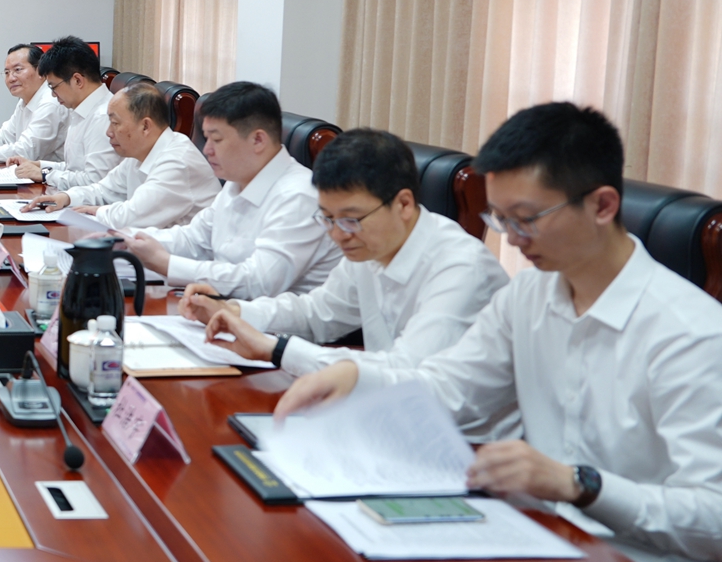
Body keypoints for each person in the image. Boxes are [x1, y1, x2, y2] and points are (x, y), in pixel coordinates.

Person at [277, 103, 722, 562]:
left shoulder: (690, 334)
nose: (511, 240)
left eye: (526, 219)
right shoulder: (527, 297)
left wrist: (581, 484)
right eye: (501, 219)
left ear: (602, 206)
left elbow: (713, 519)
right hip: (545, 542)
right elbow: (451, 387)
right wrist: (355, 376)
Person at [179, 129, 508, 388]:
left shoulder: (460, 268)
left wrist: (276, 350)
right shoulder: (368, 245)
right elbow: (317, 313)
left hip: (469, 440)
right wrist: (234, 311)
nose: (337, 234)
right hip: (387, 410)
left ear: (404, 204)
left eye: (351, 219)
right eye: (327, 218)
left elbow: (408, 369)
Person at [119, 81, 343, 297]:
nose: (207, 150)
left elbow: (260, 282)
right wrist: (123, 239)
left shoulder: (299, 196)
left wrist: (168, 264)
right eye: (206, 138)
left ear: (258, 140)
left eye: (216, 140)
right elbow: (194, 239)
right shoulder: (237, 181)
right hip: (228, 309)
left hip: (276, 319)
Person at [29, 82, 215, 230]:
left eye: (115, 123)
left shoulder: (177, 161)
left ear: (145, 126)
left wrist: (100, 211)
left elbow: (133, 217)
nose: (108, 132)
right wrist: (66, 197)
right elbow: (103, 190)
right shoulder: (139, 153)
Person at [20, 36, 119, 190]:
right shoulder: (81, 110)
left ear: (78, 80)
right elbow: (74, 167)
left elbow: (95, 181)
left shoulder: (103, 117)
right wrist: (40, 165)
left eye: (54, 87)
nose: (53, 94)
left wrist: (45, 174)